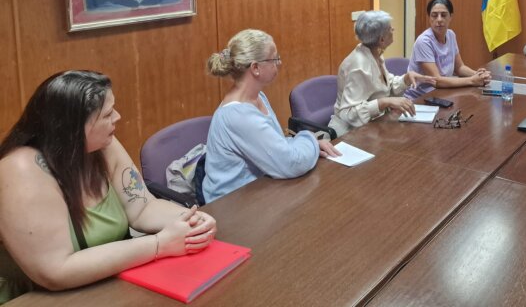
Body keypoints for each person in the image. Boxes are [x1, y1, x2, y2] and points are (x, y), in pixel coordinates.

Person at [0, 71, 217, 303]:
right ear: (72, 127)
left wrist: (192, 220)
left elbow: (142, 207)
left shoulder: (103, 144)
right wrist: (158, 245)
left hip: (111, 284)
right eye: (107, 114)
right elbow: (55, 271)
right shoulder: (20, 170)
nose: (118, 117)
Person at [203, 29, 340, 203]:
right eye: (274, 59)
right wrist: (310, 139)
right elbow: (291, 163)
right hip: (232, 206)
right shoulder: (238, 115)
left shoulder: (258, 97)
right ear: (255, 68)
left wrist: (309, 144)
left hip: (259, 191)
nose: (279, 62)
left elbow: (277, 144)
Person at [328, 11, 433, 137]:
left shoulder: (374, 53)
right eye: (390, 28)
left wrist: (406, 79)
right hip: (350, 133)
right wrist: (384, 102)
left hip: (373, 126)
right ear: (382, 39)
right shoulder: (359, 66)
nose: (393, 29)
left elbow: (384, 86)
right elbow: (348, 113)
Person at [405, 0, 491, 100]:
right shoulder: (423, 41)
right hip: (420, 100)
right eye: (434, 15)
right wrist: (472, 80)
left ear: (451, 17)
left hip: (443, 94)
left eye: (444, 15)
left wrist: (478, 75)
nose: (439, 19)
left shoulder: (451, 35)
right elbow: (436, 80)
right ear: (429, 18)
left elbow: (459, 68)